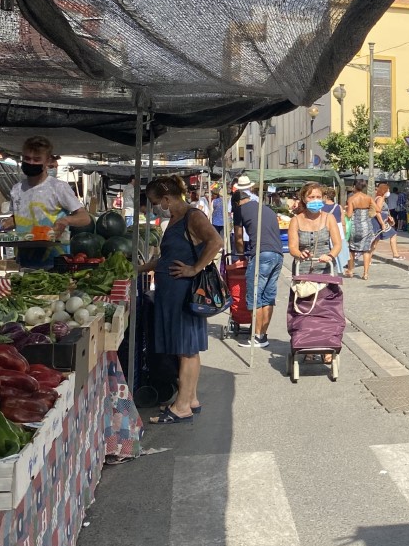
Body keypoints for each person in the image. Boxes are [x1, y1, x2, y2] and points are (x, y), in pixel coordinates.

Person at [140, 175, 223, 423]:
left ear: (166, 199)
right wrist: (141, 269)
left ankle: (182, 406)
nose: (156, 207)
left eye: (156, 202)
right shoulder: (176, 220)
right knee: (182, 348)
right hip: (171, 292)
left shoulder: (193, 216)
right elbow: (167, 259)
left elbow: (216, 242)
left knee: (187, 349)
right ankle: (191, 398)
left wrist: (194, 268)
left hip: (184, 292)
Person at [9, 135, 91, 269]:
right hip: (24, 264)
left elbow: (84, 217)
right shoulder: (17, 189)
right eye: (27, 159)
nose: (31, 163)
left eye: (37, 159)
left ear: (47, 161)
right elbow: (18, 218)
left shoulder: (58, 187)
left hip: (55, 264)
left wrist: (66, 221)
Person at [232, 177, 284, 348]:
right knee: (268, 296)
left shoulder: (240, 210)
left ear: (237, 203)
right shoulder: (266, 208)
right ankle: (262, 335)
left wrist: (241, 254)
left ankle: (255, 335)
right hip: (277, 254)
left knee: (255, 296)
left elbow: (239, 238)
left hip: (261, 254)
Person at [288, 183, 344, 276]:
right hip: (302, 271)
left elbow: (337, 244)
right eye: (311, 197)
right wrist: (300, 254)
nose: (315, 200)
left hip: (326, 270)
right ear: (304, 199)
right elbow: (292, 247)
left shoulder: (329, 218)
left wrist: (330, 256)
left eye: (318, 197)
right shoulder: (296, 220)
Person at [345, 180, 380, 279]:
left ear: (354, 187)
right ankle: (365, 273)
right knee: (366, 250)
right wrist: (369, 211)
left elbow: (349, 214)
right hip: (366, 226)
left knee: (352, 250)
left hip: (355, 226)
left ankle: (351, 271)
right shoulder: (368, 198)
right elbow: (378, 209)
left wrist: (346, 209)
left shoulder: (351, 198)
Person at [373, 182, 405, 260]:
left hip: (382, 221)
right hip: (380, 222)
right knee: (391, 235)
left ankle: (368, 258)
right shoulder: (380, 199)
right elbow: (378, 212)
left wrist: (389, 218)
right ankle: (395, 255)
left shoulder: (381, 199)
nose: (388, 192)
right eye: (387, 190)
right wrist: (382, 224)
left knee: (375, 241)